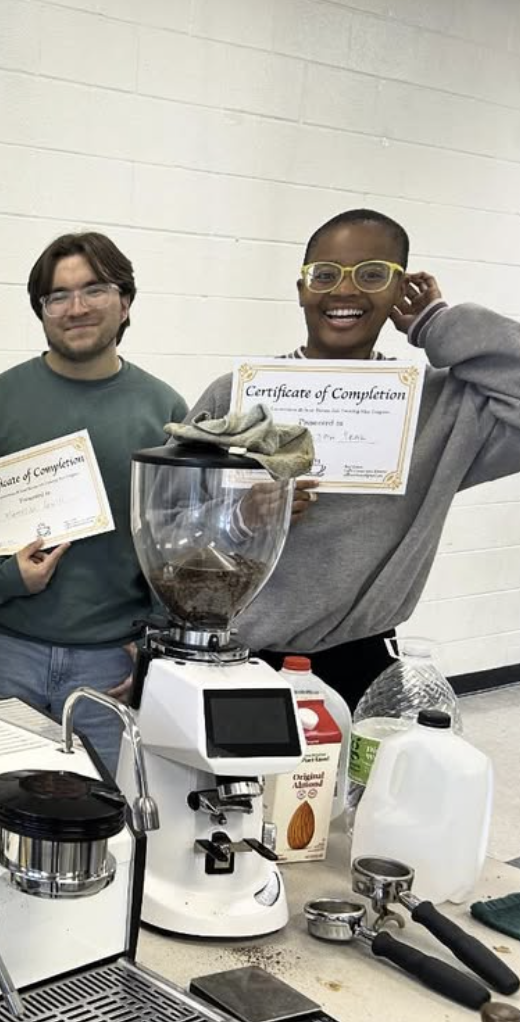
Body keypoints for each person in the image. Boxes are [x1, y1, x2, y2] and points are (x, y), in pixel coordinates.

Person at [188, 208, 520, 708]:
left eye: (372, 275)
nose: (344, 291)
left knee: (350, 788)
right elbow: (168, 527)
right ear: (302, 289)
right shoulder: (237, 397)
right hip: (233, 654)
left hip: (359, 659)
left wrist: (439, 325)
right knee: (228, 789)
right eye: (325, 275)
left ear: (399, 290)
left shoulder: (441, 410)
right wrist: (242, 517)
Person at [0, 233, 186, 773]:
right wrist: (10, 578)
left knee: (102, 816)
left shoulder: (164, 410)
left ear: (124, 302)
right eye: (58, 296)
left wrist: (154, 644)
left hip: (109, 661)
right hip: (0, 651)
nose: (76, 308)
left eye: (93, 289)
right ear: (41, 310)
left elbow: (175, 542)